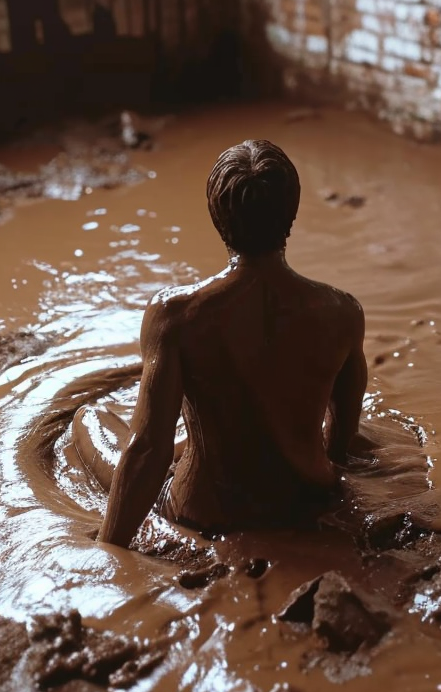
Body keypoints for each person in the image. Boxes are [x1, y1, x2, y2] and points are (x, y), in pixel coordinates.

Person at [97, 139, 368, 548]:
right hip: (310, 502)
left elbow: (149, 447)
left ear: (216, 216)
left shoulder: (175, 315)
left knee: (89, 422)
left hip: (207, 512)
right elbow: (343, 439)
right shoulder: (343, 311)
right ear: (291, 213)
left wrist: (109, 548)